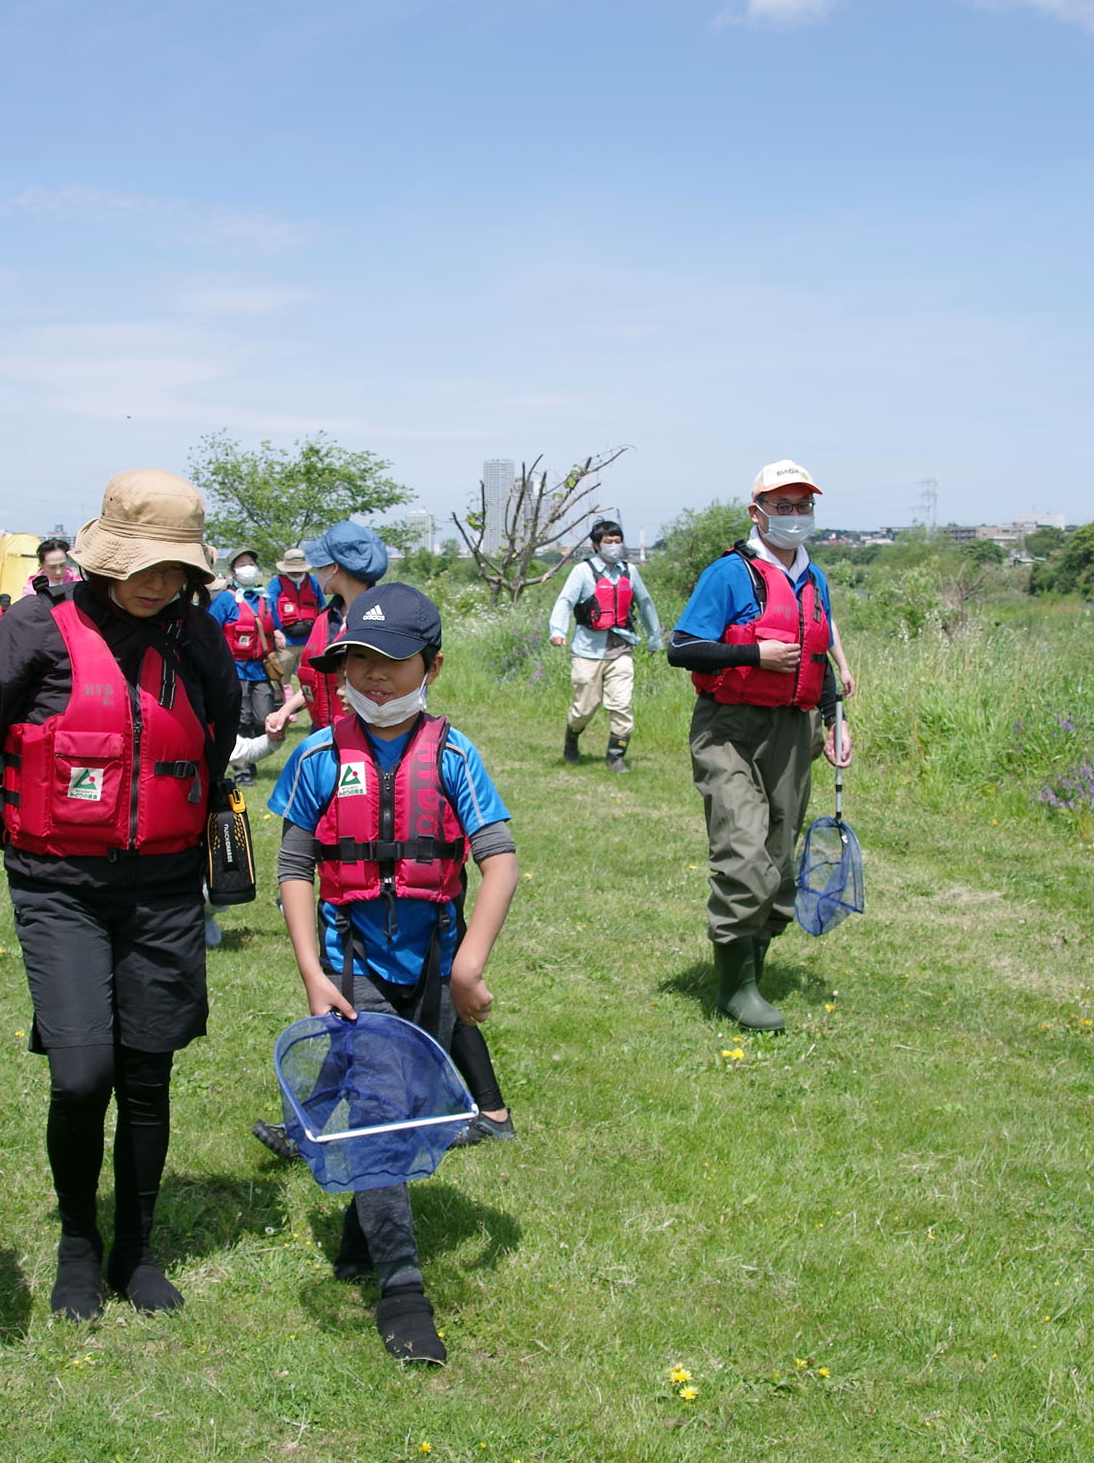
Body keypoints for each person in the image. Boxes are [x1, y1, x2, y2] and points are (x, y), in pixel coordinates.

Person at [0, 470, 238, 1323]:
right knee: (81, 1077)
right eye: (144, 565)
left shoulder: (198, 639)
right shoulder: (32, 629)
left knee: (146, 1074)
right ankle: (78, 1243)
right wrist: (22, 832)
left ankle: (135, 1250)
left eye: (175, 569)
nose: (159, 583)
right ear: (104, 554)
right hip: (61, 888)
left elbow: (216, 737)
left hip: (161, 886)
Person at [268, 583, 519, 1363]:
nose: (373, 679)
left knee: (406, 1107)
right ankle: (404, 1291)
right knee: (380, 1110)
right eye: (357, 663)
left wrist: (469, 967)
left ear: (431, 666)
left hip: (433, 965)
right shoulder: (316, 755)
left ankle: (359, 1231)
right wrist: (312, 971)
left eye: (392, 663)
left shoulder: (453, 754)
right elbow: (294, 867)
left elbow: (498, 859)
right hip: (351, 967)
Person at [665, 462, 854, 1032]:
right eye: (783, 505)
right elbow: (681, 648)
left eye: (803, 506)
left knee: (779, 862)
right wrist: (753, 657)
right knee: (744, 854)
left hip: (794, 733)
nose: (795, 516)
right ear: (757, 512)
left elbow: (815, 656)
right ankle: (734, 988)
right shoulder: (730, 574)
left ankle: (754, 966)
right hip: (730, 728)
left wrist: (834, 720)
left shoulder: (812, 577)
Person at [547, 518, 663, 771]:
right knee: (584, 709)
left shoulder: (629, 572)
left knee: (621, 705)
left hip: (622, 648)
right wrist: (557, 630)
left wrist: (655, 638)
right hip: (588, 650)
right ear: (596, 545)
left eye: (618, 541)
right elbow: (565, 601)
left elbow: (645, 604)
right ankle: (572, 736)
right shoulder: (582, 572)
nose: (614, 546)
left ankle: (616, 756)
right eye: (608, 542)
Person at [264, 522, 386, 741]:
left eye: (319, 566)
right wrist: (284, 711)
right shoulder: (325, 619)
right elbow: (319, 681)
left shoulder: (384, 622)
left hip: (366, 742)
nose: (315, 572)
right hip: (322, 736)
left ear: (334, 568)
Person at [209, 548, 279, 784]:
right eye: (242, 564)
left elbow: (274, 626)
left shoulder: (264, 598)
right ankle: (242, 768)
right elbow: (211, 630)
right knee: (242, 718)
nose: (248, 568)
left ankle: (250, 757)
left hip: (260, 669)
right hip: (235, 670)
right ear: (233, 570)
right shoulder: (226, 599)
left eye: (251, 563)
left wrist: (278, 636)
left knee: (263, 717)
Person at [264, 546, 327, 676]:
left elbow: (322, 608)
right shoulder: (276, 583)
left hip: (309, 641)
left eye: (299, 570)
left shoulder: (314, 582)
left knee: (311, 677)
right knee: (282, 678)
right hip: (285, 641)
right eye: (292, 570)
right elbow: (269, 609)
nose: (296, 573)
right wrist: (276, 631)